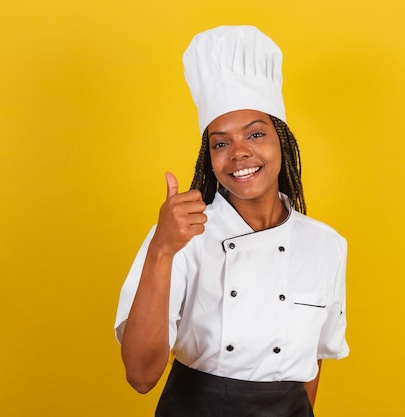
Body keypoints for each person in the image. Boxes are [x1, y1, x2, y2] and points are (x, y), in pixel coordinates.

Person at [114, 25, 349, 417]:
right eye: (220, 142)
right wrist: (162, 250)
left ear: (282, 142)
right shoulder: (181, 237)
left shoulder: (326, 245)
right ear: (209, 156)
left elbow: (313, 364)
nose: (238, 153)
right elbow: (140, 375)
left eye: (255, 135)